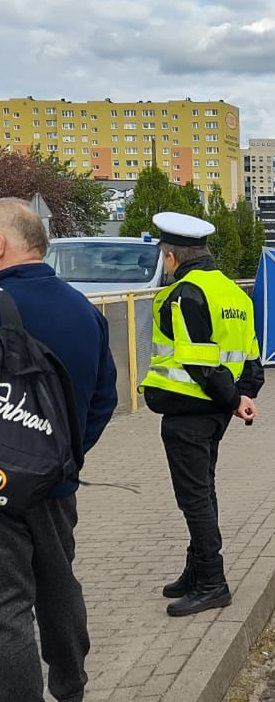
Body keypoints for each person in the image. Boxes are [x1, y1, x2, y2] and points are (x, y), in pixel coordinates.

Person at [0, 197, 118, 702]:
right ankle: (71, 686)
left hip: (2, 490)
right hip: (56, 486)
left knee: (7, 608)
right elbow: (104, 396)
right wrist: (63, 459)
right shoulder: (82, 309)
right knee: (58, 584)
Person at [140, 212, 264, 617]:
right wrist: (244, 396)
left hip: (189, 411)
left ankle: (213, 582)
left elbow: (199, 364)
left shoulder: (181, 295)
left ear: (172, 257)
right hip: (217, 413)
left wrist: (232, 400)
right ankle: (196, 571)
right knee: (203, 491)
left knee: (193, 498)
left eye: (163, 254)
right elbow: (251, 357)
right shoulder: (234, 294)